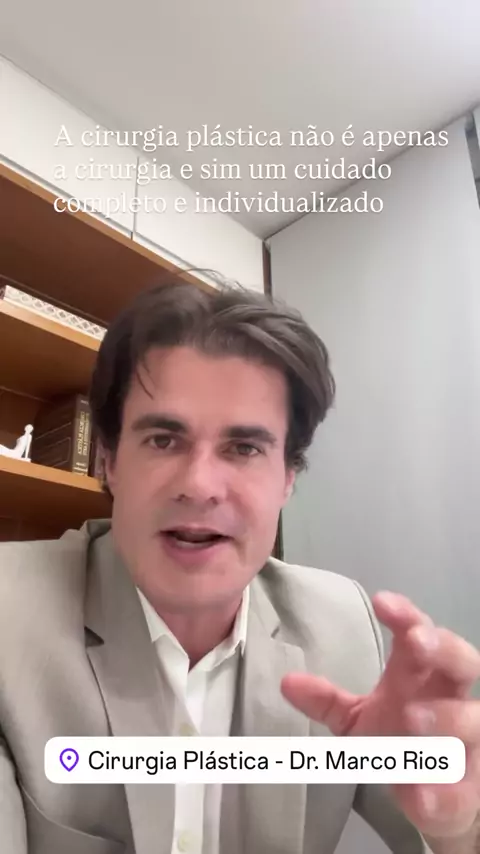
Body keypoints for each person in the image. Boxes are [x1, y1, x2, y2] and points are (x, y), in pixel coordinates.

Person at [0, 281, 479, 854]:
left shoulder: (342, 626)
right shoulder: (10, 613)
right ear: (109, 462)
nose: (200, 485)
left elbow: (438, 821)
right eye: (163, 440)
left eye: (244, 448)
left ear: (288, 480)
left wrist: (456, 823)